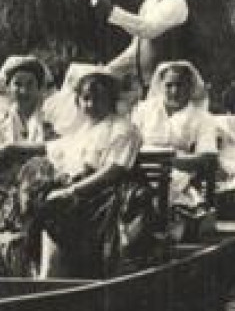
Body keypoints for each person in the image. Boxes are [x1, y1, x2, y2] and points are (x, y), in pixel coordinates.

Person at [23, 67, 145, 278]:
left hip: (110, 192)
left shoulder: (123, 128)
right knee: (36, 198)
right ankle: (42, 267)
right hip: (84, 189)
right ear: (78, 101)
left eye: (98, 98)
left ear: (111, 99)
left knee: (55, 207)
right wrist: (15, 148)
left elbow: (114, 170)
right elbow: (54, 147)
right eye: (86, 98)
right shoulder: (84, 129)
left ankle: (56, 273)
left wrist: (73, 191)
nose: (91, 105)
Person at [131, 60, 220, 239]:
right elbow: (129, 142)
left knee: (172, 190)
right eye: (169, 85)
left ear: (190, 87)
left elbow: (208, 157)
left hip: (178, 169)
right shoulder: (143, 110)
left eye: (180, 85)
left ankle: (163, 228)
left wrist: (171, 161)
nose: (174, 91)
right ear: (160, 85)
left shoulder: (202, 118)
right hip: (140, 166)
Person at [90, 0, 193, 97]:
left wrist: (111, 11)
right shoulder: (146, 4)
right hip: (147, 88)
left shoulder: (176, 2)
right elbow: (135, 51)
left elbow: (148, 28)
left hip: (172, 89)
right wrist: (106, 71)